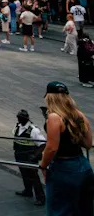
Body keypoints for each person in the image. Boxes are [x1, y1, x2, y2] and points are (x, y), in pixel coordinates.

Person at [40, 80, 94, 214]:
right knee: (84, 209)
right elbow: (88, 143)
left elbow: (52, 147)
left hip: (64, 168)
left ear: (49, 97)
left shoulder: (54, 117)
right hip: (83, 166)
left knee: (60, 209)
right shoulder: (78, 115)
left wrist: (43, 165)